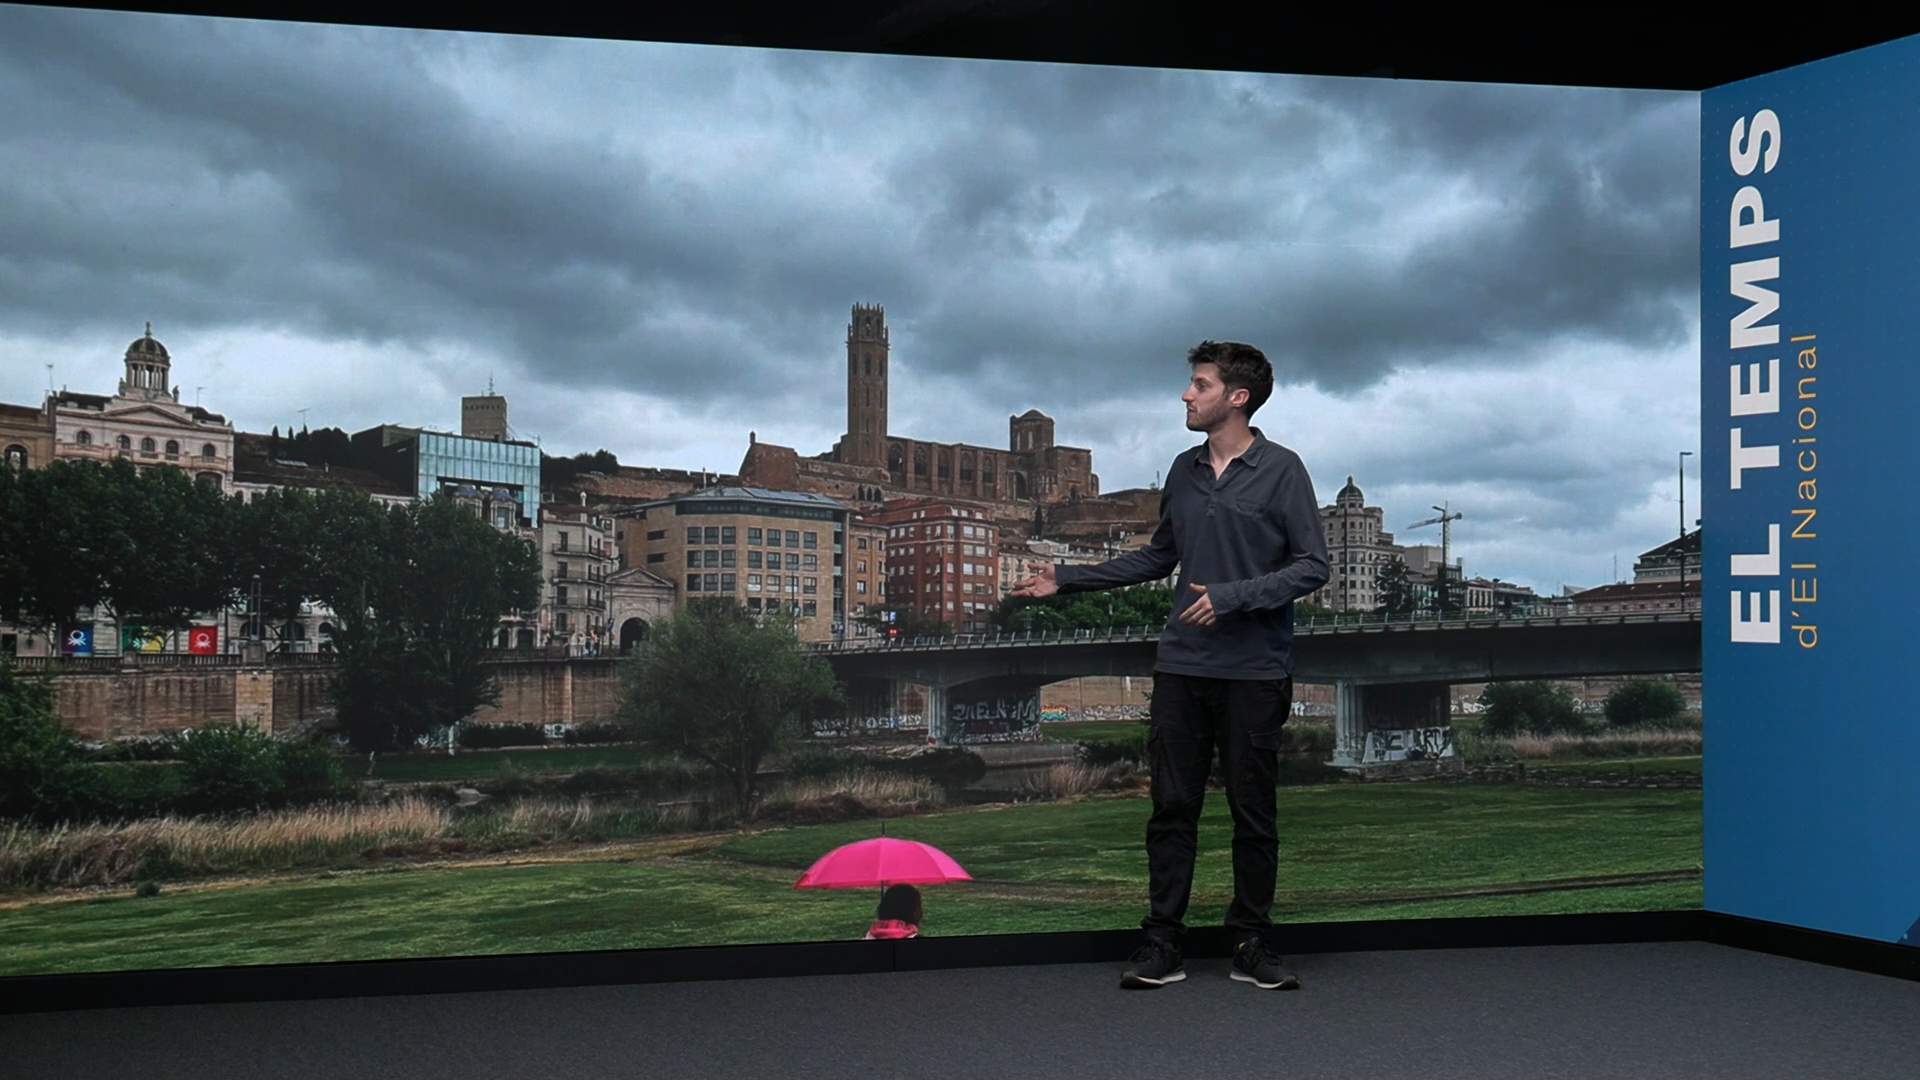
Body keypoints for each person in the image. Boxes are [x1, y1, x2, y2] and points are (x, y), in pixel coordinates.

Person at [1011, 340, 1329, 992]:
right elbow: (1158, 559)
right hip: (1182, 668)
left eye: (1200, 384)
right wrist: (1067, 581)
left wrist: (1234, 598)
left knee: (1253, 815)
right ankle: (1162, 943)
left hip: (1254, 672)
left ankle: (1251, 942)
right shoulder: (1183, 471)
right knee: (1171, 810)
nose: (1187, 394)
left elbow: (1312, 565)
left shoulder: (1283, 471)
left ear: (1237, 397)